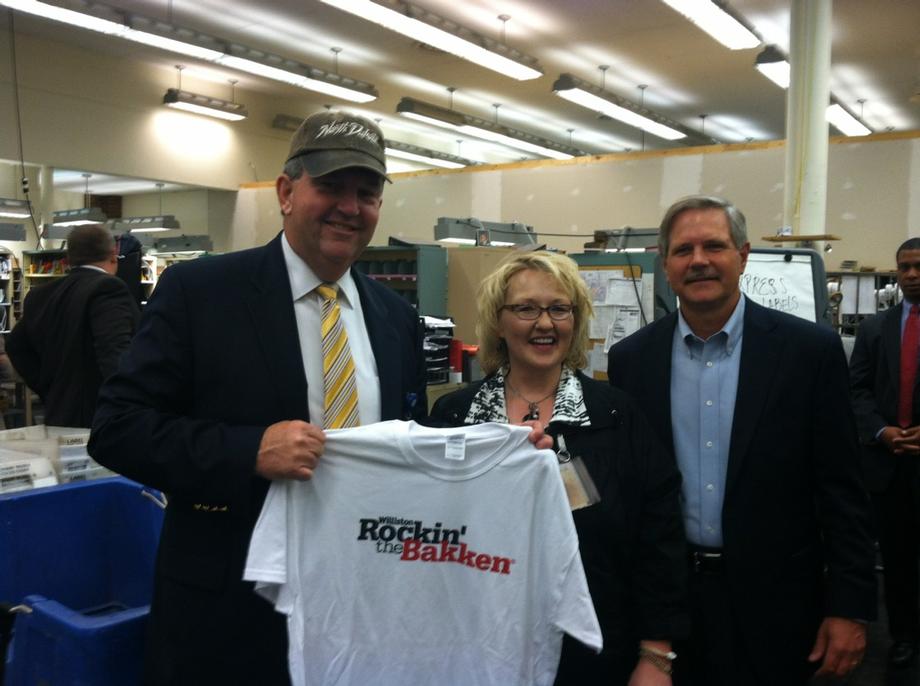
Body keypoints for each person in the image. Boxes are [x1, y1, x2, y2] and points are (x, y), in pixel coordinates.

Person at [88, 110, 429, 684]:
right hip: (230, 613)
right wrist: (248, 451)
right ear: (286, 192)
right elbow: (118, 427)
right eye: (331, 187)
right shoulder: (201, 293)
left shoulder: (396, 318)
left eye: (367, 193)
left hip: (362, 602)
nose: (351, 207)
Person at [607, 195, 877, 685]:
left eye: (715, 246)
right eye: (684, 250)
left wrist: (850, 607)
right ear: (665, 264)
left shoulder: (808, 353)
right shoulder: (632, 360)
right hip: (668, 602)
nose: (700, 260)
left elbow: (842, 489)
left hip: (779, 603)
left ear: (744, 255)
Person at [428, 250, 689, 686]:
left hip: (593, 648)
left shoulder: (616, 416)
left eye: (558, 309)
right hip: (474, 646)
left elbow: (658, 537)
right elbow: (431, 535)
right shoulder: (455, 416)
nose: (544, 323)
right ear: (498, 321)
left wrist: (656, 653)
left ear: (576, 319)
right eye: (526, 308)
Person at [850, 237, 920, 669]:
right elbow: (855, 388)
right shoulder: (875, 328)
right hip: (888, 465)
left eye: (918, 266)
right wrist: (881, 431)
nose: (911, 275)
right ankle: (904, 636)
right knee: (897, 560)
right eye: (904, 267)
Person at [7, 224, 138, 428]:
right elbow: (114, 352)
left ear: (68, 258)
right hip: (99, 417)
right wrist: (129, 406)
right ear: (114, 255)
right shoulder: (108, 288)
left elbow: (16, 346)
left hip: (58, 414)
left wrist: (48, 388)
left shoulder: (41, 295)